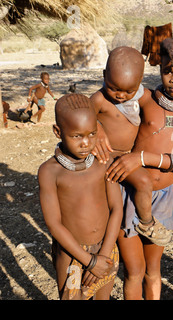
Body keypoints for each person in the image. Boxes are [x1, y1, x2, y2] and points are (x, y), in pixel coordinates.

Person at [105, 37, 173, 300]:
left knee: (154, 270)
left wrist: (142, 158)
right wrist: (97, 133)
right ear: (160, 69)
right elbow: (105, 96)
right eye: (168, 71)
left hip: (162, 196)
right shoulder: (145, 98)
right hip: (128, 192)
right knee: (133, 271)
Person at [38, 94, 123, 300]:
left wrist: (102, 257)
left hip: (107, 248)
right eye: (77, 136)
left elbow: (116, 209)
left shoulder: (103, 162)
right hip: (72, 256)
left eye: (92, 134)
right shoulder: (49, 172)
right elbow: (54, 225)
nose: (86, 143)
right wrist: (90, 262)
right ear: (58, 132)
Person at [89, 46, 167, 244]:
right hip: (109, 154)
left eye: (128, 91)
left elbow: (159, 111)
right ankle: (147, 223)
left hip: (131, 155)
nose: (120, 96)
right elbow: (82, 116)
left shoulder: (142, 97)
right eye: (114, 88)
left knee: (144, 181)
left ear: (139, 82)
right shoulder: (99, 99)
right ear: (105, 75)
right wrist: (96, 127)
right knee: (143, 181)